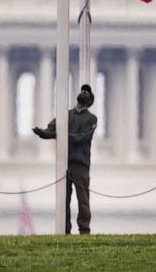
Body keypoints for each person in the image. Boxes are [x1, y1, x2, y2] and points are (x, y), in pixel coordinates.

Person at [32, 83, 98, 234]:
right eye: (83, 91)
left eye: (87, 93)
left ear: (90, 101)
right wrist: (43, 133)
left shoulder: (91, 118)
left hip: (80, 164)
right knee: (63, 200)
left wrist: (61, 135)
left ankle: (84, 229)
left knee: (83, 200)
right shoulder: (66, 115)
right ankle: (65, 230)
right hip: (64, 162)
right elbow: (52, 128)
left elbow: (83, 137)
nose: (84, 93)